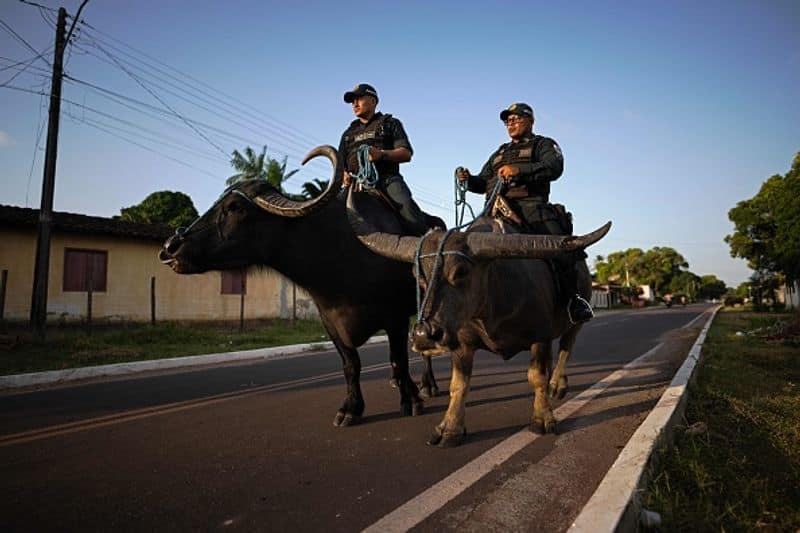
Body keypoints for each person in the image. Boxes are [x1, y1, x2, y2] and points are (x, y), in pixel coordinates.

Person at [456, 102, 594, 323]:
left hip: (531, 207)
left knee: (562, 249)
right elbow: (482, 183)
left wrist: (520, 170)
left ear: (530, 120)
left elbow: (554, 167)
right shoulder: (499, 153)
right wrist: (467, 179)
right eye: (507, 120)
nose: (511, 123)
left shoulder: (543, 145)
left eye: (516, 118)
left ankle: (574, 301)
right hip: (493, 211)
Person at [338, 83, 430, 235]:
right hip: (355, 186)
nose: (355, 104)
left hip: (386, 180)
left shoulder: (390, 123)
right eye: (352, 101)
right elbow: (341, 165)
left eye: (359, 98)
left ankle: (424, 243)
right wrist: (344, 175)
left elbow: (406, 154)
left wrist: (382, 154)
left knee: (407, 209)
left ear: (373, 101)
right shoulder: (348, 133)